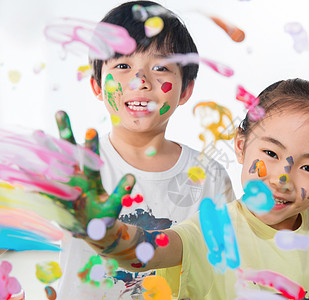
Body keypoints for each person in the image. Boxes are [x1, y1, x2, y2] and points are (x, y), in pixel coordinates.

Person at [55, 78, 309, 299]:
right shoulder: (212, 227)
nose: (282, 177)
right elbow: (146, 252)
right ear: (241, 147)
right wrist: (103, 232)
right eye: (271, 154)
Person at [56, 1, 234, 299]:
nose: (140, 81)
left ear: (186, 90)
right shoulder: (74, 167)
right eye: (123, 66)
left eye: (161, 67)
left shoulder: (210, 178)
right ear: (97, 85)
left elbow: (226, 271)